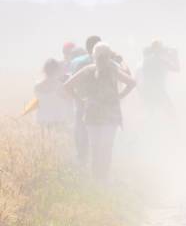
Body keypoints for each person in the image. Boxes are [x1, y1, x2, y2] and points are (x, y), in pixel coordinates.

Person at [64, 42, 137, 181]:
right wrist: (119, 96)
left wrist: (79, 99)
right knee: (105, 147)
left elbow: (67, 86)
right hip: (109, 114)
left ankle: (97, 180)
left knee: (96, 147)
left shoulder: (88, 70)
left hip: (93, 114)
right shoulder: (112, 69)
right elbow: (132, 83)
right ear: (108, 56)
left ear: (94, 56)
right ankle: (103, 179)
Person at [68, 35, 102, 166]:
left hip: (82, 102)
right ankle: (96, 161)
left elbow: (70, 81)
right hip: (99, 103)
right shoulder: (108, 61)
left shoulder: (77, 62)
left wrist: (78, 98)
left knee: (81, 131)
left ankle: (82, 159)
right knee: (98, 132)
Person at [138, 39, 180, 117]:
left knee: (151, 112)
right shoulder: (160, 60)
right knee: (172, 113)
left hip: (147, 89)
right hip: (159, 90)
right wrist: (175, 56)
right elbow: (177, 69)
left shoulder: (147, 59)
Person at [34, 58, 73, 131]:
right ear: (57, 70)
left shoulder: (37, 86)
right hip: (57, 119)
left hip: (42, 118)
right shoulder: (60, 85)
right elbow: (69, 99)